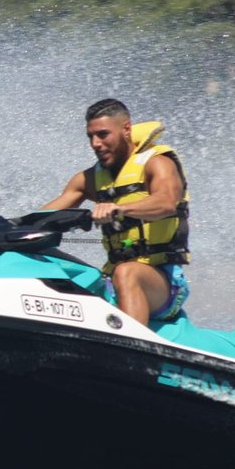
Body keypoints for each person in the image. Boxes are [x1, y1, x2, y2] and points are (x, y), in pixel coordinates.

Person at [42, 98, 190, 328]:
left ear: (126, 129)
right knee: (62, 275)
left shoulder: (157, 163)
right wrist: (4, 230)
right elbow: (44, 216)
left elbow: (166, 203)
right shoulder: (89, 179)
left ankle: (134, 344)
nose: (95, 143)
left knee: (126, 272)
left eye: (103, 135)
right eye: (91, 137)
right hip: (112, 279)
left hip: (165, 283)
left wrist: (120, 208)